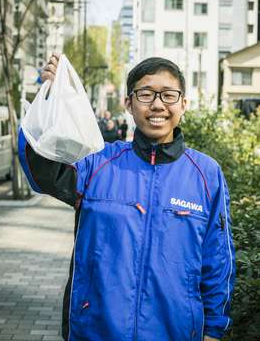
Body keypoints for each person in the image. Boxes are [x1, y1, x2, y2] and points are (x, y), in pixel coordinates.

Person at [18, 54, 235, 341]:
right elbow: (41, 171)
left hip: (175, 332)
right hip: (96, 331)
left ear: (183, 104)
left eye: (169, 95)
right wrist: (50, 97)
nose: (157, 104)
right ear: (129, 104)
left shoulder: (206, 174)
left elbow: (217, 259)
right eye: (145, 94)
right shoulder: (98, 164)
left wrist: (213, 331)